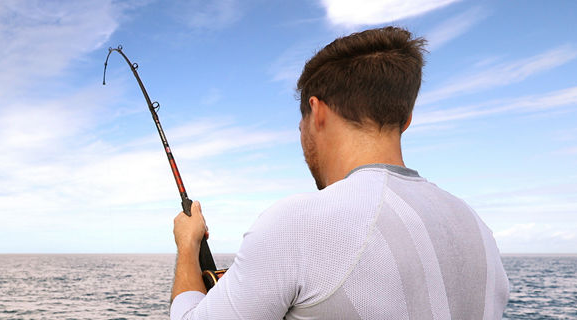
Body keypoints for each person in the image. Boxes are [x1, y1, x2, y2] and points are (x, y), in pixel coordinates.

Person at [170, 26, 510, 319]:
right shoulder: (478, 230)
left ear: (316, 112)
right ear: (406, 120)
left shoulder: (298, 223)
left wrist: (188, 245)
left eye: (300, 120)